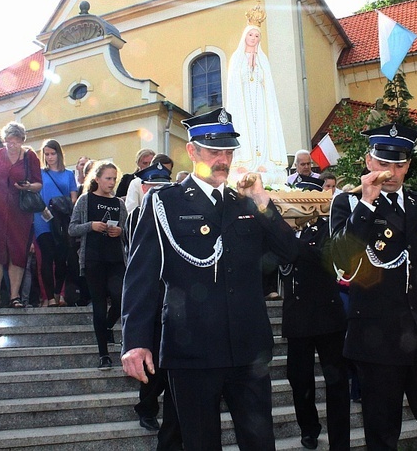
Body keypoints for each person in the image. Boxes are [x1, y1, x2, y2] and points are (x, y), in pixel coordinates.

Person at [121, 107, 297, 450]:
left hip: (248, 351)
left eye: (228, 151)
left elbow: (291, 253)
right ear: (192, 151)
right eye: (214, 150)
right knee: (199, 443)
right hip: (192, 351)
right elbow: (141, 275)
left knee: (261, 443)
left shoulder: (244, 202)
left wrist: (263, 203)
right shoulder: (164, 203)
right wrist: (135, 340)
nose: (223, 159)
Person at [329, 122, 417, 450]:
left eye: (398, 164)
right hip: (375, 340)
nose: (390, 173)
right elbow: (341, 261)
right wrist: (366, 204)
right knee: (382, 433)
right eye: (383, 163)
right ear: (368, 161)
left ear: (408, 165)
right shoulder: (349, 205)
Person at [279, 176, 350, 450]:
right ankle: (308, 428)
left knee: (336, 381)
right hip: (297, 317)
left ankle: (339, 439)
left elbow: (322, 256)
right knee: (298, 378)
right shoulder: (285, 232)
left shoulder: (327, 228)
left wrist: (288, 238)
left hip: (328, 316)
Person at [125, 163, 183, 449]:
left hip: (173, 299)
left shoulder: (173, 210)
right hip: (151, 297)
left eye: (163, 186)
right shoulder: (136, 215)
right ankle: (146, 408)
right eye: (153, 187)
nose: (157, 191)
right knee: (151, 364)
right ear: (144, 188)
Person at [69, 161, 128, 370]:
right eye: (108, 178)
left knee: (121, 298)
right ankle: (103, 354)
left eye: (114, 179)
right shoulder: (85, 200)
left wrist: (120, 231)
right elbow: (72, 229)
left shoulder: (119, 204)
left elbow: (128, 231)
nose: (111, 182)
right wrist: (92, 226)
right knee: (100, 306)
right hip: (93, 259)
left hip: (116, 259)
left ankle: (108, 327)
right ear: (97, 179)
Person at [0, 122, 42, 308]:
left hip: (20, 211)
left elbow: (39, 184)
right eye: (8, 141)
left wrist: (28, 186)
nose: (11, 145)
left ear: (22, 140)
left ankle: (15, 296)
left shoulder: (30, 157)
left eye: (15, 141)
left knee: (18, 251)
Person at [225, 4, 288, 186]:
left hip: (260, 104)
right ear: (245, 37)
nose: (253, 38)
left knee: (262, 128)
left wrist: (256, 67)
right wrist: (247, 67)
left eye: (257, 36)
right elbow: (234, 83)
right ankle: (244, 162)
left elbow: (267, 84)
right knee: (245, 130)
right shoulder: (237, 58)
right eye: (251, 35)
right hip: (242, 105)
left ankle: (264, 162)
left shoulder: (263, 60)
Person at [34, 139, 77, 307]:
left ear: (59, 154)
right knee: (46, 256)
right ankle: (50, 297)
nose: (50, 157)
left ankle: (58, 292)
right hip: (42, 218)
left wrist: (65, 209)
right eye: (46, 154)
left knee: (61, 258)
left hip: (61, 220)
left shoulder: (69, 174)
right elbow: (35, 195)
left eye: (52, 153)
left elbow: (73, 197)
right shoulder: (40, 173)